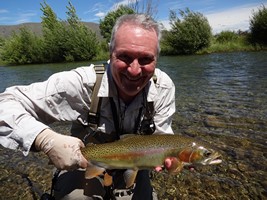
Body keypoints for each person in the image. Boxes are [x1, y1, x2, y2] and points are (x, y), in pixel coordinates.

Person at [0, 14, 175, 199]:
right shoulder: (82, 83)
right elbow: (5, 102)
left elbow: (162, 137)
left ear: (157, 59)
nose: (134, 70)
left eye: (146, 59)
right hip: (83, 163)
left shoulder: (163, 87)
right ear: (110, 53)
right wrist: (44, 139)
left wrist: (172, 158)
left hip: (135, 164)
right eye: (124, 56)